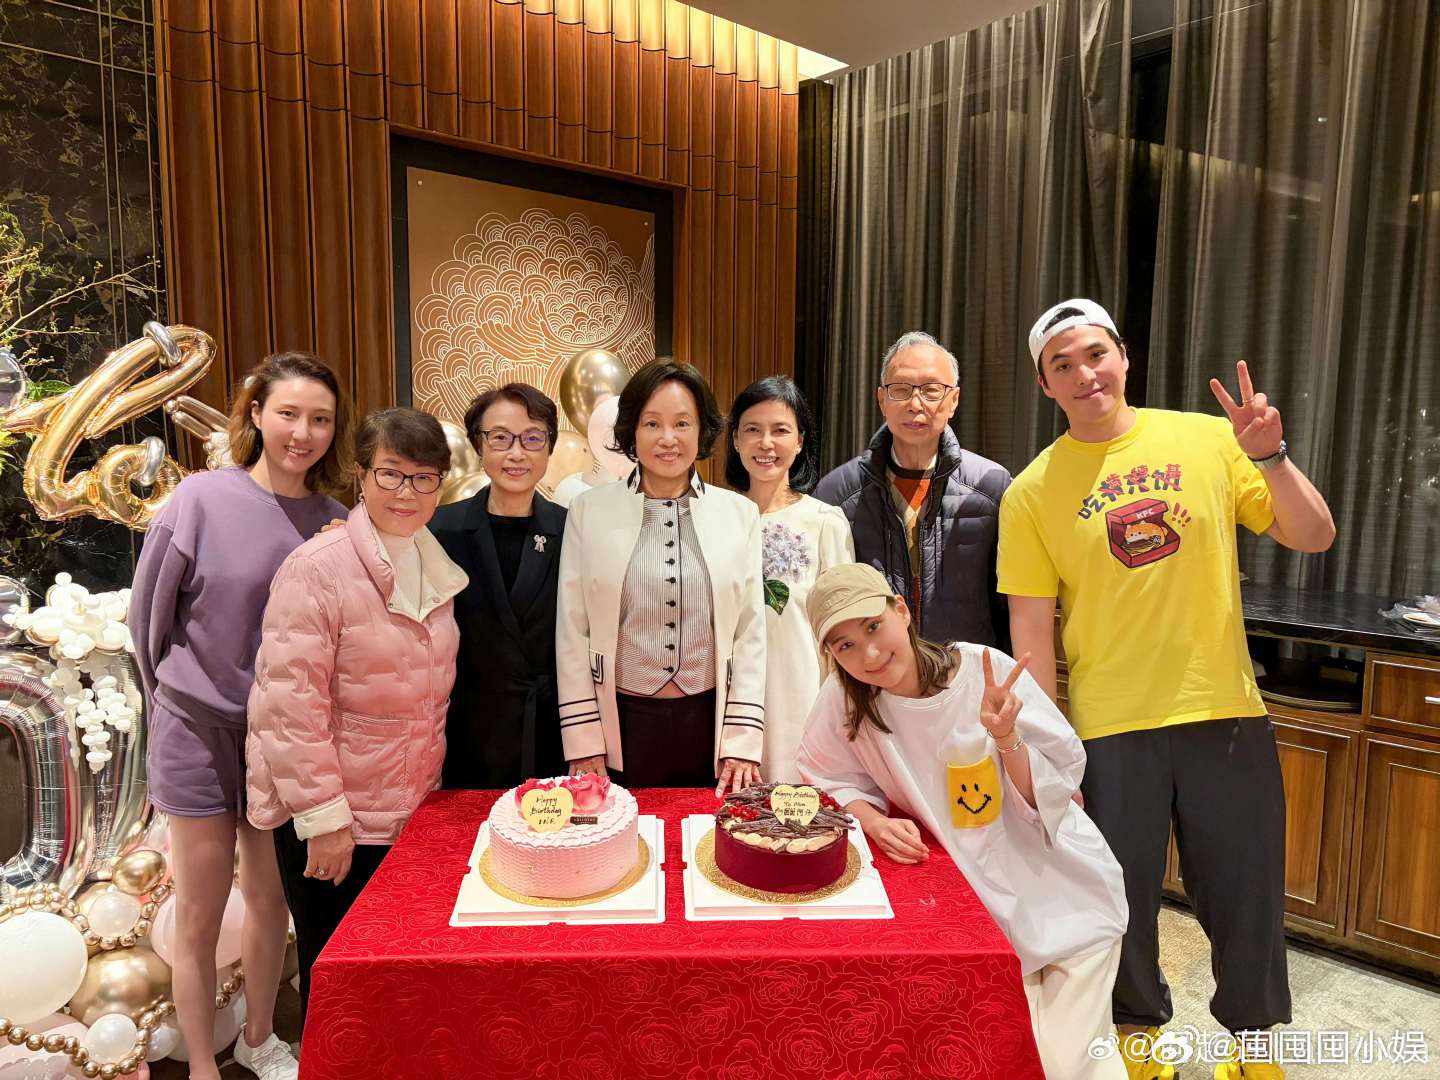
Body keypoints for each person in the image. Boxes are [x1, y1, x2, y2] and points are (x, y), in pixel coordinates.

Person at [1000, 299, 1336, 1080]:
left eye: (1095, 354)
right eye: (1062, 365)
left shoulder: (1209, 440)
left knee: (1246, 893)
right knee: (1119, 901)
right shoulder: (1032, 492)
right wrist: (1046, 754)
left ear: (1123, 356)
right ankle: (1137, 1044)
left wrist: (1272, 457)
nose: (1084, 374)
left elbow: (1313, 534)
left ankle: (1254, 1051)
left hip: (1224, 709)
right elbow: (1031, 634)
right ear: (1045, 386)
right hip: (1109, 728)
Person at [795, 563, 1128, 1080]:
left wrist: (1006, 736)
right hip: (976, 913)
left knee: (1069, 1066)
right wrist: (874, 821)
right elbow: (824, 776)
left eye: (873, 627)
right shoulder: (845, 699)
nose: (869, 654)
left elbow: (1057, 794)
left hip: (1064, 893)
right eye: (845, 646)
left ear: (901, 611)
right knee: (1000, 1056)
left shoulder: (982, 671)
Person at [130, 352, 354, 1080]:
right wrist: (177, 699)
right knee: (198, 913)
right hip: (195, 730)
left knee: (269, 900)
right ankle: (202, 1064)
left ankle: (260, 1038)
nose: (303, 432)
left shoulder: (334, 523)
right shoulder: (198, 500)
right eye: (288, 413)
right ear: (256, 414)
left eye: (320, 419)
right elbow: (147, 620)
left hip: (278, 740)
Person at [246, 408, 468, 1023]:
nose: (407, 492)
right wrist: (324, 820)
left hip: (407, 808)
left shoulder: (432, 559)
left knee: (396, 984)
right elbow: (289, 705)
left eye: (424, 478)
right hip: (337, 817)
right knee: (338, 988)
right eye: (391, 474)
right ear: (361, 475)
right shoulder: (316, 567)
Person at [557, 358, 766, 794]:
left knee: (703, 833)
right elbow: (572, 629)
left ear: (701, 430)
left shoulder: (739, 514)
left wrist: (742, 739)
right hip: (621, 722)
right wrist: (584, 738)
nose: (668, 439)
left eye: (682, 424)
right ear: (632, 431)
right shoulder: (588, 511)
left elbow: (750, 631)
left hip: (709, 723)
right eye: (652, 424)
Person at [815, 331, 1011, 649]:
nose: (915, 404)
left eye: (931, 390)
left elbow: (1008, 606)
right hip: (874, 668)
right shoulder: (837, 494)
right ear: (882, 400)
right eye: (901, 390)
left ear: (954, 400)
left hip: (964, 669)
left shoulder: (992, 487)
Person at [429, 383, 567, 788]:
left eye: (533, 438)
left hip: (549, 730)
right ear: (478, 444)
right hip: (470, 729)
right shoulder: (439, 529)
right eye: (501, 438)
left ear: (549, 447)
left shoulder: (571, 529)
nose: (517, 453)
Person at [724, 376, 853, 781]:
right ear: (735, 440)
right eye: (752, 429)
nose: (766, 443)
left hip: (801, 705)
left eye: (780, 430)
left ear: (800, 441)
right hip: (725, 707)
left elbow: (842, 633)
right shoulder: (715, 518)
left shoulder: (825, 522)